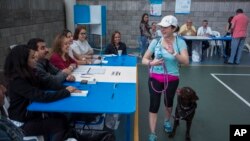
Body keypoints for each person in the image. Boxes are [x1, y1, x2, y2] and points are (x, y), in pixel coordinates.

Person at [4, 45, 79, 141]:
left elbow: (47, 85)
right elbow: (41, 96)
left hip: (32, 114)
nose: (36, 59)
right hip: (21, 123)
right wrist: (65, 92)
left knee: (62, 116)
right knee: (60, 122)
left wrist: (67, 88)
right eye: (32, 57)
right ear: (23, 61)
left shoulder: (30, 73)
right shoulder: (17, 80)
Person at [142, 15, 189, 141]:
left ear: (173, 28)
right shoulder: (155, 41)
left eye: (165, 27)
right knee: (154, 104)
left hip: (172, 78)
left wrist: (174, 52)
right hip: (155, 78)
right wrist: (151, 63)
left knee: (168, 104)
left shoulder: (180, 42)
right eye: (161, 27)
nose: (162, 29)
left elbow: (186, 61)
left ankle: (167, 121)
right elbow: (144, 59)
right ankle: (152, 132)